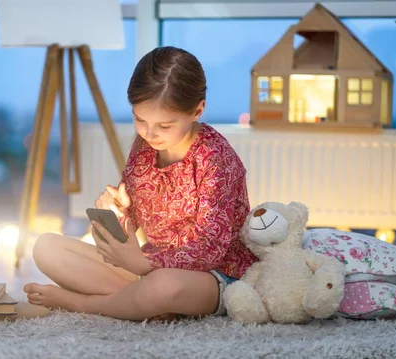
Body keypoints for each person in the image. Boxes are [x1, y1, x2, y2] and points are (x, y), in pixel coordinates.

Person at [24, 46, 258, 321]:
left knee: (163, 286)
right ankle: (145, 305)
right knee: (47, 248)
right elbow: (132, 229)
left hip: (212, 277)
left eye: (165, 125)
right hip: (148, 268)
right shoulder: (145, 146)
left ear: (197, 110)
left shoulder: (215, 159)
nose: (150, 133)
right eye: (140, 120)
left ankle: (85, 304)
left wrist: (146, 263)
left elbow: (210, 249)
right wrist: (119, 213)